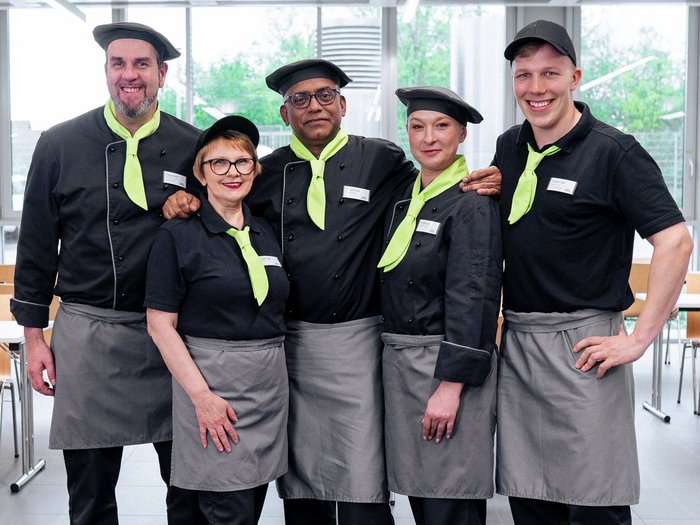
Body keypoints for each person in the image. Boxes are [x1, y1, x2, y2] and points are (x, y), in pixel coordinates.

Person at [163, 58, 501, 525]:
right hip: (291, 350)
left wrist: (486, 177)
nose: (314, 107)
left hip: (359, 345)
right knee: (302, 484)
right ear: (285, 115)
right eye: (299, 100)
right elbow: (224, 195)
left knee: (363, 482)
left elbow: (435, 185)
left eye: (325, 96)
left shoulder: (382, 160)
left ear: (342, 105)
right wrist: (185, 199)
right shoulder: (267, 172)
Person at [493, 19, 694, 525]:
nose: (536, 89)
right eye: (524, 76)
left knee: (592, 502)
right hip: (518, 346)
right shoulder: (509, 147)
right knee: (529, 497)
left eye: (550, 73)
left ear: (575, 77)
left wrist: (639, 338)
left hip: (584, 348)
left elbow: (675, 240)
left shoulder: (614, 151)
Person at [10, 22, 204, 525]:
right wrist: (34, 339)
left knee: (187, 487)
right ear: (106, 72)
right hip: (89, 334)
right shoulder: (60, 144)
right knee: (91, 494)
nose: (129, 75)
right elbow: (35, 247)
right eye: (118, 64)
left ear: (161, 75)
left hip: (172, 337)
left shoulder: (193, 145)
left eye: (141, 65)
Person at [145, 115, 289, 524]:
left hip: (267, 394)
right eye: (218, 163)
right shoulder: (178, 235)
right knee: (224, 508)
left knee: (250, 503)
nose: (233, 172)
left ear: (255, 170)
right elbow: (160, 325)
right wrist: (202, 398)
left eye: (243, 162)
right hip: (212, 393)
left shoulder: (264, 232)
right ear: (199, 174)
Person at [378, 86, 501, 525]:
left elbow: (476, 297)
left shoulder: (471, 204)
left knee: (451, 498)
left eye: (442, 126)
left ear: (462, 134)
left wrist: (451, 386)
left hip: (447, 371)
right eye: (417, 127)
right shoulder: (404, 202)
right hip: (405, 369)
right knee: (422, 492)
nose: (429, 137)